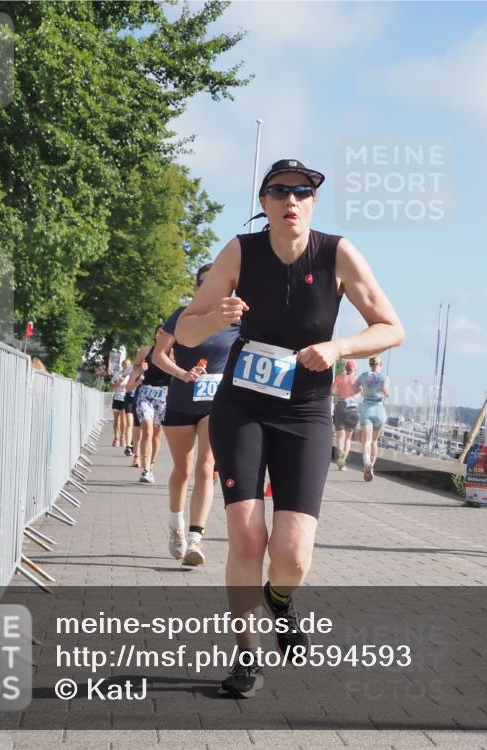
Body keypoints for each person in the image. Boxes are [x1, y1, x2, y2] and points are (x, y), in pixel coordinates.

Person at [174, 158, 404, 698]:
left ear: (313, 203)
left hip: (305, 411)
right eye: (280, 191)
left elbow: (392, 328)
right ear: (264, 202)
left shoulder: (337, 254)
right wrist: (216, 318)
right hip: (244, 407)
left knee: (294, 553)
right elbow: (186, 329)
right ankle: (245, 656)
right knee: (248, 537)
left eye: (302, 192)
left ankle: (279, 600)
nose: (291, 200)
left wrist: (339, 347)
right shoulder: (240, 251)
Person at [153, 263, 239, 566]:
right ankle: (175, 525)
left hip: (215, 404)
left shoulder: (237, 321)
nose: (211, 289)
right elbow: (158, 355)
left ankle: (195, 540)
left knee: (206, 468)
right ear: (196, 287)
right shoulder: (182, 316)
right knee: (183, 470)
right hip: (181, 400)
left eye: (217, 283)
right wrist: (181, 372)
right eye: (204, 283)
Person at [134, 332, 172, 482]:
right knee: (147, 431)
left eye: (165, 332)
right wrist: (140, 367)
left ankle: (152, 466)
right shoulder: (145, 350)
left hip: (163, 397)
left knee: (156, 434)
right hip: (145, 395)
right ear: (155, 335)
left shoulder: (173, 352)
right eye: (159, 332)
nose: (162, 334)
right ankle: (146, 469)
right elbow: (135, 369)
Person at [356, 354, 390, 481]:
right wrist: (383, 389)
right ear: (380, 365)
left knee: (367, 441)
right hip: (379, 411)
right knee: (375, 441)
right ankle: (372, 466)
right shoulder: (384, 377)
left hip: (366, 410)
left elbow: (354, 388)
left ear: (370, 365)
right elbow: (387, 392)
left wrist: (361, 390)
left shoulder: (363, 376)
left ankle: (366, 462)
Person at [331, 359, 360, 470]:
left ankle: (340, 460)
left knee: (339, 438)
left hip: (340, 406)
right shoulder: (356, 380)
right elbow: (361, 390)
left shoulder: (339, 378)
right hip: (352, 408)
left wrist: (341, 393)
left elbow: (332, 392)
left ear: (346, 368)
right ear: (354, 369)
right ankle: (342, 462)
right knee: (348, 438)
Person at [110, 358, 132, 447]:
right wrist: (117, 384)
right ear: (122, 365)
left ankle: (122, 437)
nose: (127, 366)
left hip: (125, 398)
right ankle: (116, 438)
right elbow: (111, 385)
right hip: (116, 398)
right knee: (116, 420)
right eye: (125, 364)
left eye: (129, 364)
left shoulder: (131, 375)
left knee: (123, 420)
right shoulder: (117, 374)